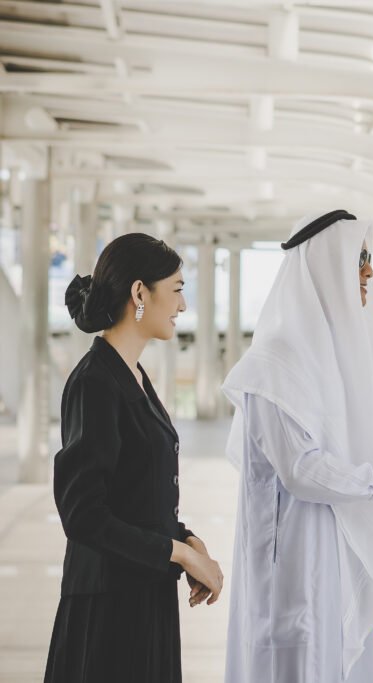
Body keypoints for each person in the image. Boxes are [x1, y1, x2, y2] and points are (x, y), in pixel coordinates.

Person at [222, 211, 373, 683]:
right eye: (359, 260)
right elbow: (301, 470)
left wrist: (364, 587)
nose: (369, 272)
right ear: (324, 266)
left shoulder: (330, 359)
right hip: (292, 576)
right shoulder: (276, 360)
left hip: (335, 571)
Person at [45, 233, 223, 683]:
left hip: (142, 598)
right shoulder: (95, 383)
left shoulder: (132, 374)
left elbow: (133, 490)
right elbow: (83, 514)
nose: (183, 306)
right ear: (140, 293)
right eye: (178, 289)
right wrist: (178, 553)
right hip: (109, 612)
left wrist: (186, 540)